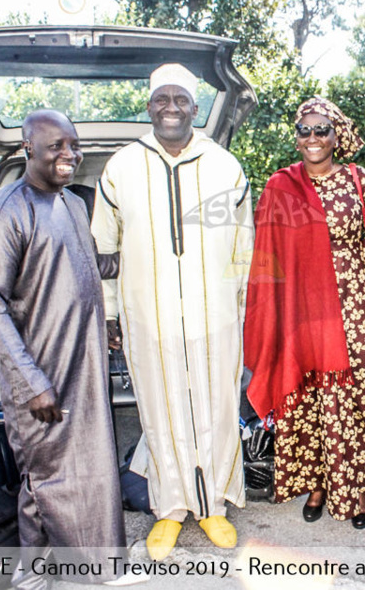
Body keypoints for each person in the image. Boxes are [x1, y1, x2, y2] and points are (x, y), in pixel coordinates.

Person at [91, 64, 253, 557]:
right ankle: (170, 508)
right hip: (148, 319)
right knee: (159, 413)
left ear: (195, 108)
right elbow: (104, 248)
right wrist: (112, 313)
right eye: (162, 98)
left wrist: (242, 309)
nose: (171, 107)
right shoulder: (122, 167)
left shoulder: (225, 166)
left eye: (180, 99)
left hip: (215, 316)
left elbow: (243, 247)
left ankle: (214, 507)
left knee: (218, 409)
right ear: (149, 106)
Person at [0, 110, 126, 586]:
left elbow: (87, 266)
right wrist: (31, 382)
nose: (69, 155)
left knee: (90, 471)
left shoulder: (72, 205)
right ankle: (32, 574)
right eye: (56, 145)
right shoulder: (3, 213)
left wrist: (142, 251)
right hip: (37, 371)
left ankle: (93, 566)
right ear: (28, 150)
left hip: (81, 361)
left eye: (73, 145)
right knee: (46, 477)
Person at [244, 97, 365, 530]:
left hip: (353, 302)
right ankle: (318, 483)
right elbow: (267, 255)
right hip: (303, 305)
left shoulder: (358, 179)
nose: (312, 138)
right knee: (310, 394)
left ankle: (359, 487)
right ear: (296, 138)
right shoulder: (281, 185)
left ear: (337, 135)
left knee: (359, 396)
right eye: (305, 130)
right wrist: (271, 314)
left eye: (321, 130)